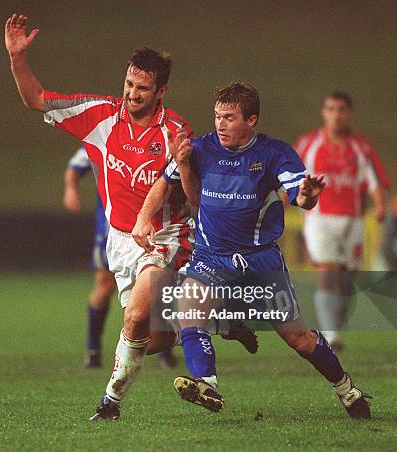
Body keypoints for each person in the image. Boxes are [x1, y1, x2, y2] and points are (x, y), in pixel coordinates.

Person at [5, 13, 257, 421]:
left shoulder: (175, 131)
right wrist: (17, 57)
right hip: (120, 241)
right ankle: (210, 323)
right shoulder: (99, 115)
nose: (132, 94)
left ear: (161, 91)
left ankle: (110, 403)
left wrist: (184, 168)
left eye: (142, 88)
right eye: (128, 84)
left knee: (137, 314)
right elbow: (35, 98)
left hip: (165, 237)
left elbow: (190, 195)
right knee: (145, 334)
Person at [133, 82, 372, 418]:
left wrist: (310, 195)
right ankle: (206, 384)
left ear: (251, 120)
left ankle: (347, 389)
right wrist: (145, 217)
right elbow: (165, 183)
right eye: (217, 116)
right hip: (211, 256)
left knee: (298, 338)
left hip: (259, 260)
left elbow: (300, 196)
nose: (220, 124)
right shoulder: (201, 148)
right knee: (189, 313)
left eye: (229, 118)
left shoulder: (274, 154)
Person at [63, 146, 177, 369]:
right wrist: (71, 188)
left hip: (153, 228)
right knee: (104, 286)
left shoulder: (160, 141)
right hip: (114, 232)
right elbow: (75, 166)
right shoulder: (104, 135)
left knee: (157, 287)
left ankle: (165, 349)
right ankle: (93, 349)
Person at [294, 92, 390, 351]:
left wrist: (380, 205)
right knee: (328, 272)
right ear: (323, 112)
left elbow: (375, 182)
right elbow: (290, 177)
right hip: (319, 219)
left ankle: (333, 323)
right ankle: (330, 334)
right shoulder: (308, 144)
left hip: (353, 221)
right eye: (331, 109)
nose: (336, 114)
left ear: (349, 114)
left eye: (341, 109)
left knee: (347, 280)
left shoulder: (361, 147)